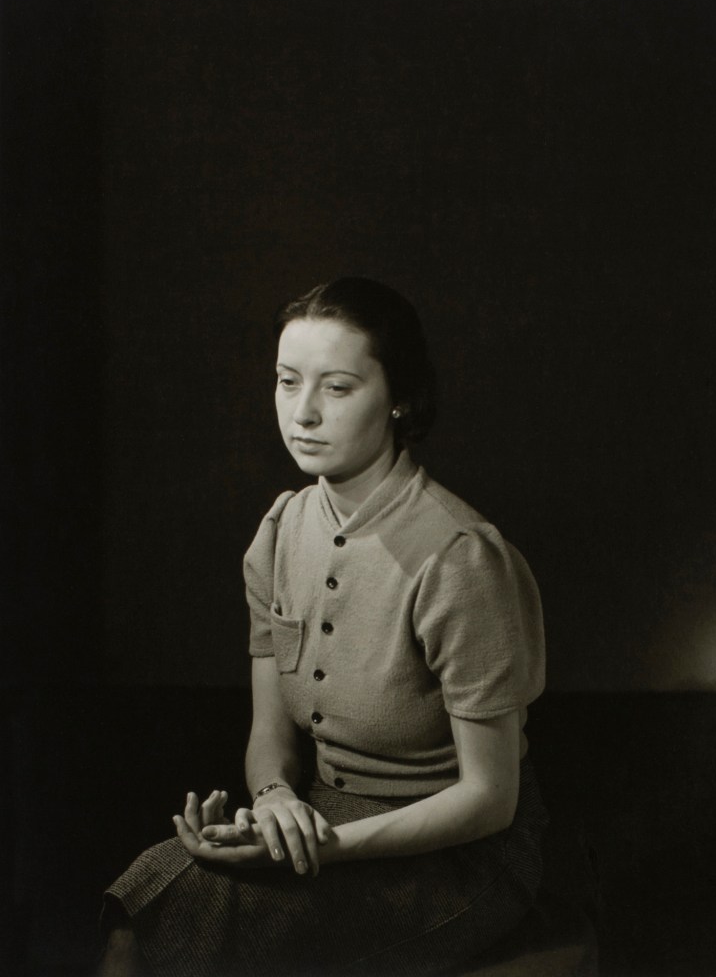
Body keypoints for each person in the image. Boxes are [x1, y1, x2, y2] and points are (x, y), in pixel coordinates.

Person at [99, 277, 548, 977]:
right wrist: (274, 805)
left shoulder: (460, 559)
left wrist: (325, 845)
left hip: (457, 855)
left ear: (398, 396)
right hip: (322, 814)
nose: (302, 413)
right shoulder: (280, 532)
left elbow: (490, 800)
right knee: (152, 893)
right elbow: (271, 735)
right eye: (286, 381)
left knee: (194, 931)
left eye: (337, 388)